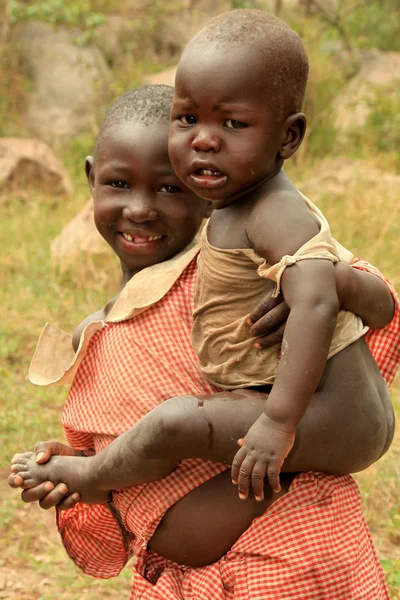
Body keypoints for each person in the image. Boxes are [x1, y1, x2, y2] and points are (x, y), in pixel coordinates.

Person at [9, 83, 399, 598]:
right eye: (119, 184)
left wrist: (329, 286)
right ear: (90, 178)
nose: (141, 209)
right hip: (183, 583)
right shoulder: (96, 335)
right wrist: (71, 467)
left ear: (208, 186)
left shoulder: (232, 275)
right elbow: (115, 446)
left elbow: (371, 303)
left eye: (171, 189)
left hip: (286, 559)